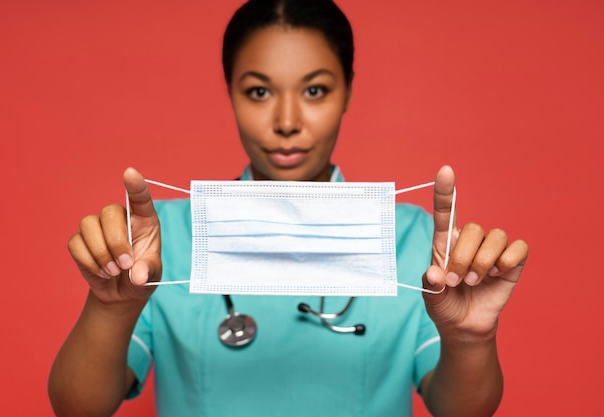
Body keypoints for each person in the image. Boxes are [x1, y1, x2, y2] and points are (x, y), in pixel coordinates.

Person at [48, 0, 529, 416]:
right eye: (258, 91)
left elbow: (461, 410)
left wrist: (470, 339)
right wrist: (109, 308)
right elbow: (79, 407)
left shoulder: (411, 241)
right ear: (230, 92)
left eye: (315, 90)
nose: (286, 121)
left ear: (348, 91)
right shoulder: (160, 242)